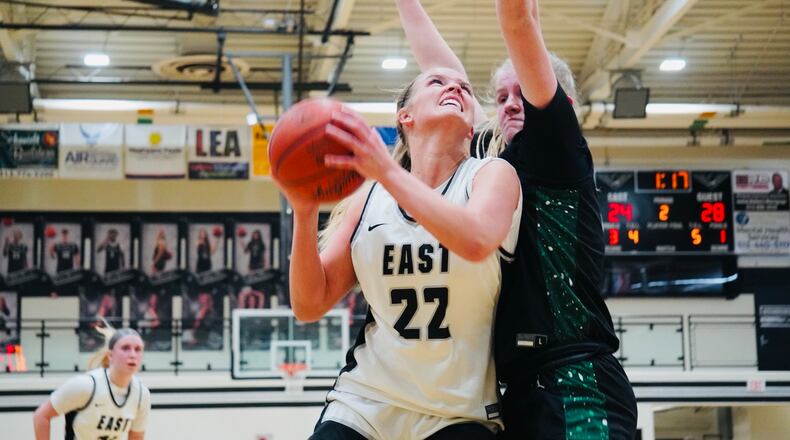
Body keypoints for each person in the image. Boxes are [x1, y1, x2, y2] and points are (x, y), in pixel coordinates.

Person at [395, 0, 637, 438]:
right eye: (500, 97)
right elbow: (440, 68)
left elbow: (520, 20)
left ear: (555, 101)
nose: (508, 104)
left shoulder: (557, 147)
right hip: (516, 391)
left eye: (520, 91)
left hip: (574, 379)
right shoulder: (496, 161)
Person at [274, 66, 521, 439]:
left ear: (471, 125)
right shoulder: (370, 198)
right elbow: (309, 304)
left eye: (465, 88)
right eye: (437, 82)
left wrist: (387, 171)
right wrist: (305, 209)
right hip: (367, 402)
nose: (455, 86)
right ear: (405, 117)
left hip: (457, 411)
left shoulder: (492, 174)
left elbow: (475, 241)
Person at [33, 323, 151, 440]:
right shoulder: (86, 385)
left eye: (138, 349)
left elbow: (136, 436)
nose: (132, 354)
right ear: (110, 355)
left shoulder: (141, 394)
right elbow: (41, 416)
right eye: (125, 348)